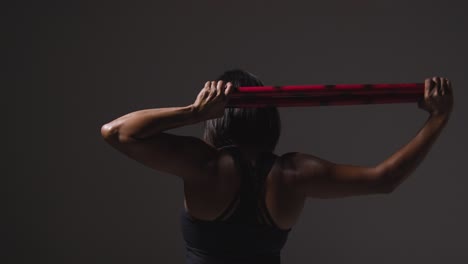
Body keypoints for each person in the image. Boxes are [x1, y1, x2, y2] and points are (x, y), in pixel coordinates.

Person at [100, 69, 453, 264]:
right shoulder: (292, 174)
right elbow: (385, 179)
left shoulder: (204, 165)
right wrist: (438, 118)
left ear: (218, 120)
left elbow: (116, 132)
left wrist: (194, 113)